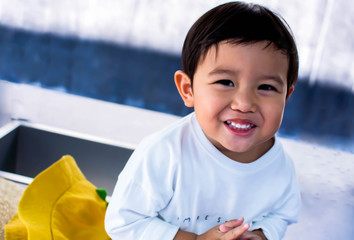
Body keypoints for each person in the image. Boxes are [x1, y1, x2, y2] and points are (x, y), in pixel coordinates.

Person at [105, 1, 301, 240]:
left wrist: (260, 235)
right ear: (188, 89)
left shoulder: (280, 166)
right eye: (225, 82)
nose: (244, 103)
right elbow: (122, 222)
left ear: (286, 97)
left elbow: (281, 215)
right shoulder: (164, 154)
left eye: (266, 87)